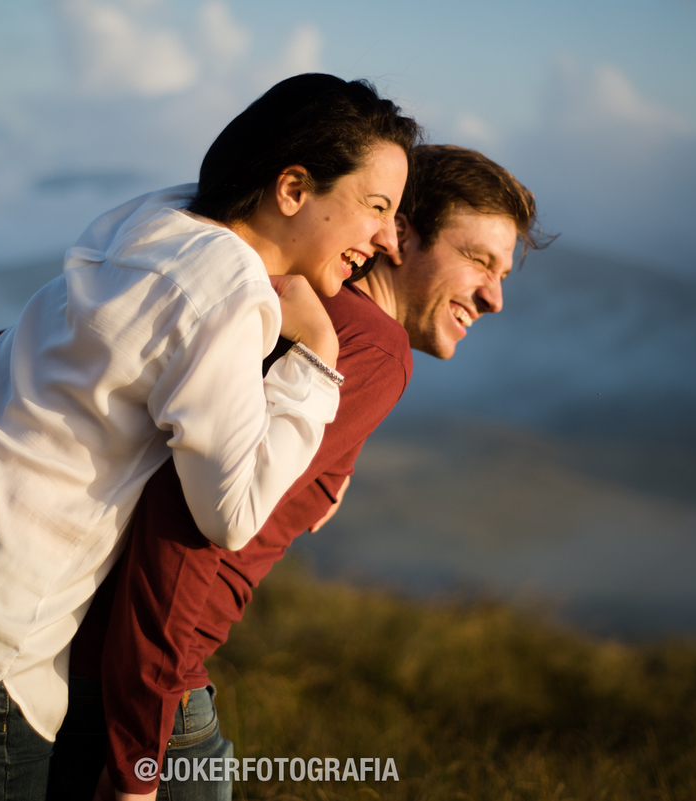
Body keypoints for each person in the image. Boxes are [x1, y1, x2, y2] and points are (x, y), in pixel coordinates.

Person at [0, 73, 419, 800]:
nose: (388, 238)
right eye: (375, 207)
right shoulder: (225, 296)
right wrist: (316, 359)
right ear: (293, 188)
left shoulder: (151, 225)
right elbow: (232, 515)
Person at [52, 145, 550, 800]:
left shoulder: (312, 308)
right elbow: (187, 532)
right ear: (399, 234)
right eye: (477, 259)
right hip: (148, 692)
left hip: (81, 658)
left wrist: (326, 483)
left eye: (504, 273)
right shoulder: (375, 347)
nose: (495, 296)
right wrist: (139, 759)